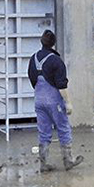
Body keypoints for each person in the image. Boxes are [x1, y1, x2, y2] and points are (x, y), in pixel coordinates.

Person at [28, 29, 83, 171]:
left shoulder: (33, 58)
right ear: (53, 43)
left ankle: (44, 163)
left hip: (39, 100)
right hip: (54, 101)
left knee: (44, 131)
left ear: (41, 41)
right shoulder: (56, 60)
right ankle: (68, 160)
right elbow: (61, 85)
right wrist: (68, 102)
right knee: (63, 128)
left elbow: (32, 79)